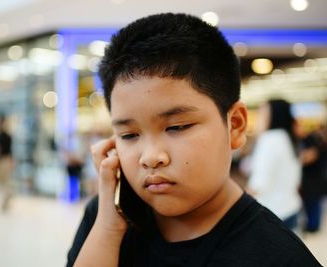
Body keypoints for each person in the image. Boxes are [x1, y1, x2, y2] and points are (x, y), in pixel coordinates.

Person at [66, 13, 322, 266]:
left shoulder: (280, 257)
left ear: (234, 125)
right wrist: (109, 230)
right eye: (129, 135)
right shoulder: (105, 218)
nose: (151, 157)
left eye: (177, 127)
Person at [247, 99, 302, 230]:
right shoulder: (288, 137)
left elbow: (259, 184)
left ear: (273, 115)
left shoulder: (270, 140)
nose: (258, 119)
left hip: (272, 212)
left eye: (262, 113)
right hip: (290, 207)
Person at [299, 125, 327, 233]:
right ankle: (312, 224)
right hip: (314, 178)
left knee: (313, 203)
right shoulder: (317, 141)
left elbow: (310, 156)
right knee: (312, 203)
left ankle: (313, 226)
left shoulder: (314, 140)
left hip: (313, 179)